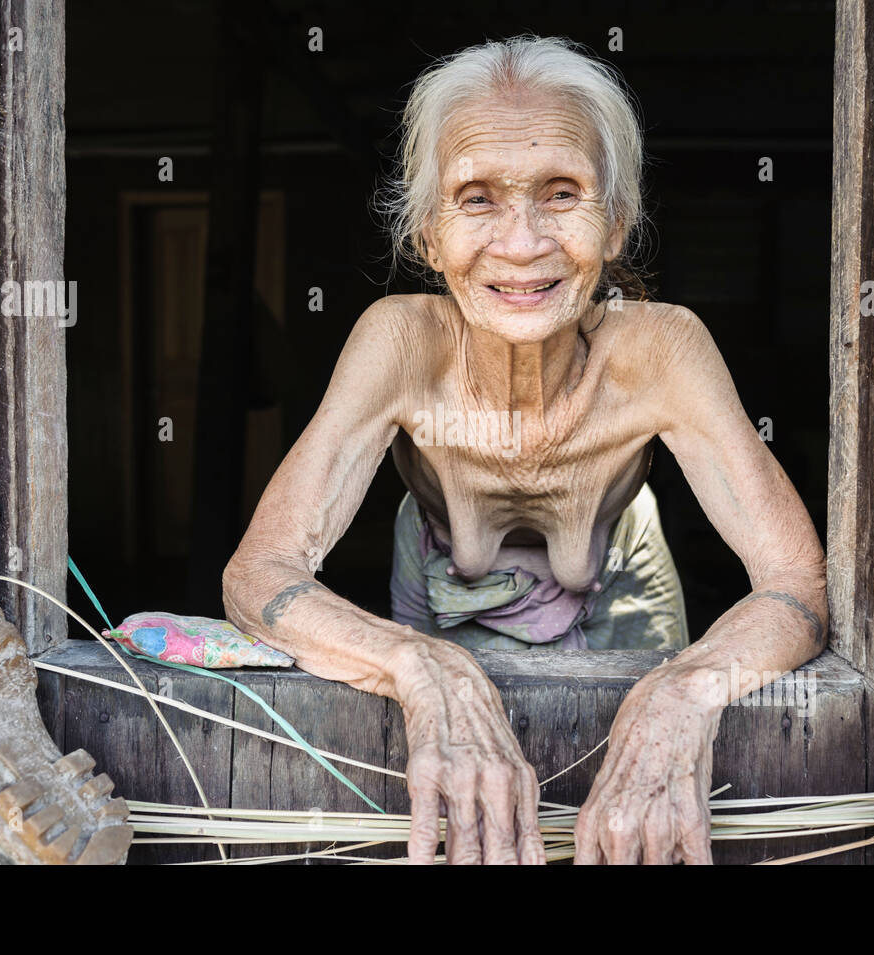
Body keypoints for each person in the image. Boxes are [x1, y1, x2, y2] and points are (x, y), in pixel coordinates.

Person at [221, 34, 827, 865]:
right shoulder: (399, 342)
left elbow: (797, 584)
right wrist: (421, 667)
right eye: (476, 199)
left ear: (614, 223)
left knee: (644, 812)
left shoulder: (663, 350)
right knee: (457, 805)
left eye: (562, 193)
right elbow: (259, 575)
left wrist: (690, 686)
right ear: (430, 236)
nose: (521, 242)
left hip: (617, 561)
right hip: (440, 568)